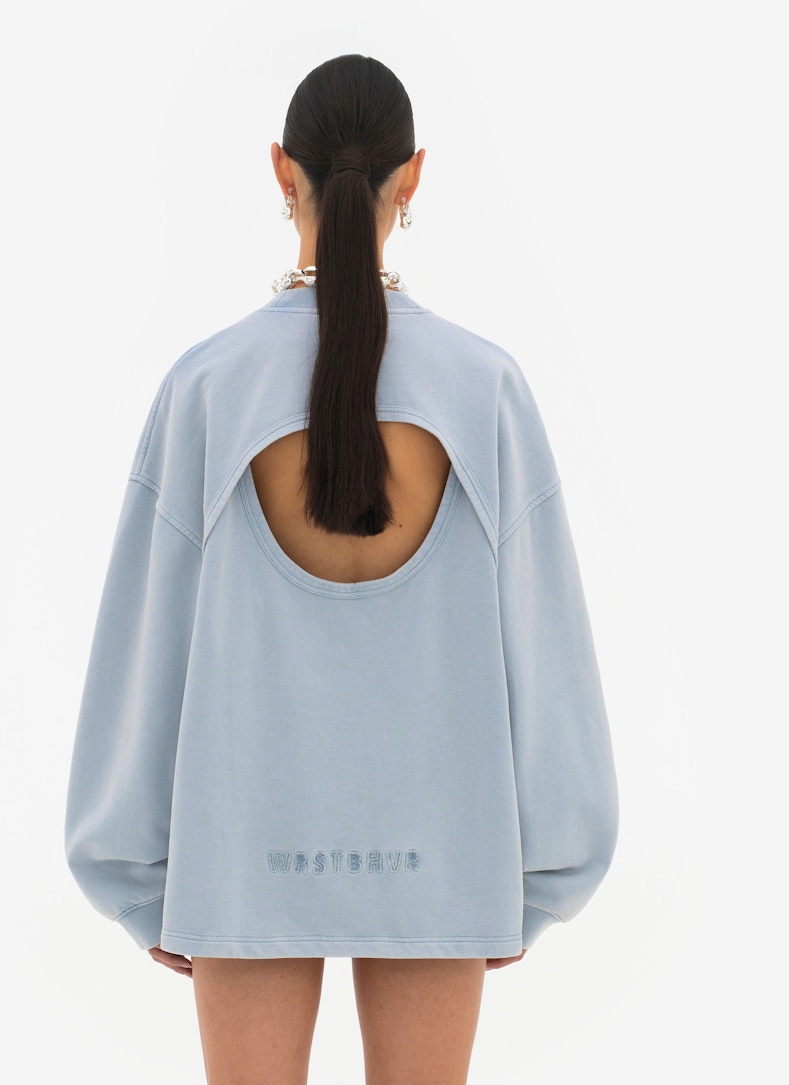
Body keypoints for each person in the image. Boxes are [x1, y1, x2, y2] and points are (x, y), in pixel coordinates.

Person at [64, 53, 619, 1085]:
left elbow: (142, 654)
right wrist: (539, 876)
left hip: (241, 853)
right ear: (413, 177)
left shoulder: (205, 389)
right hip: (443, 853)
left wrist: (138, 875)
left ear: (283, 171)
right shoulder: (487, 389)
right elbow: (548, 661)